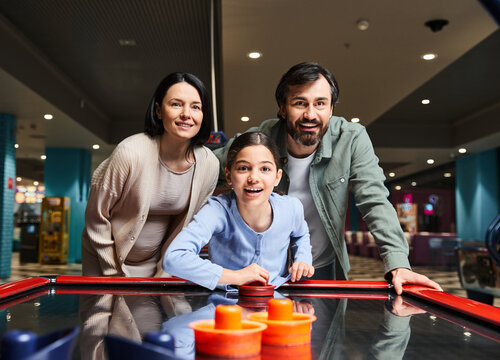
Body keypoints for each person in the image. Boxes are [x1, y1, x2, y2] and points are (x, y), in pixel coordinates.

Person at [213, 62, 442, 295]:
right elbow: (205, 169)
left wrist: (398, 263)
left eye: (320, 103)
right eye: (299, 103)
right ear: (282, 108)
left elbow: (375, 202)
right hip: (261, 267)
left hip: (321, 267)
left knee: (324, 332)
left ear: (331, 109)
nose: (310, 114)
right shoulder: (261, 139)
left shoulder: (351, 139)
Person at [81, 72, 219, 277]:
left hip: (158, 266)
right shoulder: (130, 153)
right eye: (176, 104)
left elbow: (188, 228)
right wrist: (113, 275)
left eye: (196, 107)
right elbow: (96, 217)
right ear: (158, 110)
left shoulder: (209, 164)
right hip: (105, 262)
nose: (186, 114)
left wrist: (165, 270)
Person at [163, 131, 314, 289]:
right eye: (243, 168)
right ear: (228, 176)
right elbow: (173, 258)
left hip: (277, 302)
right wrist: (236, 276)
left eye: (265, 169)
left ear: (277, 177)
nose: (253, 178)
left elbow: (301, 235)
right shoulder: (217, 210)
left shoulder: (291, 208)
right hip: (224, 305)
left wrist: (302, 259)